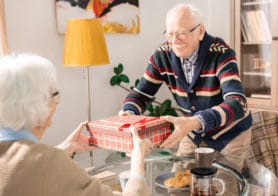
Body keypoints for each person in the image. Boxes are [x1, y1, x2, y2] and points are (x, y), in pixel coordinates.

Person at [119, 3, 252, 170]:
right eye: (170, 33)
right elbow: (140, 94)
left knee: (223, 187)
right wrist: (129, 112)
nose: (175, 41)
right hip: (192, 131)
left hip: (230, 133)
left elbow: (238, 102)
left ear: (200, 32)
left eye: (181, 34)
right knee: (178, 182)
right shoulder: (162, 55)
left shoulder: (221, 53)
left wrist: (194, 121)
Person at [0, 53, 153, 196]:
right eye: (54, 94)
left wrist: (64, 148)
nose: (56, 102)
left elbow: (26, 171)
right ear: (38, 105)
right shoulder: (49, 162)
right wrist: (137, 163)